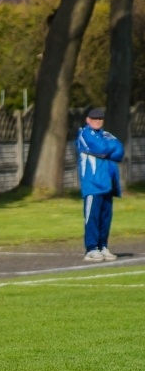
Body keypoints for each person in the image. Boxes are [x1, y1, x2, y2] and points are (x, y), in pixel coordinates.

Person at [75, 107, 124, 262]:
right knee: (92, 217)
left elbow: (119, 150)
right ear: (88, 120)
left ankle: (103, 246)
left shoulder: (105, 134)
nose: (97, 121)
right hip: (92, 184)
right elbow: (102, 148)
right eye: (94, 119)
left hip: (107, 183)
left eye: (100, 119)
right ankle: (91, 248)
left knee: (105, 217)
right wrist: (105, 149)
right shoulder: (84, 133)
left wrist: (104, 150)